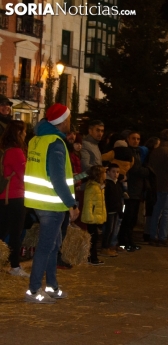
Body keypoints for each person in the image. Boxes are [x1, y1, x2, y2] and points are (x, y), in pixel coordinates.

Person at [23, 104, 79, 303]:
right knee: (47, 246)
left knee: (53, 245)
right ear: (62, 122)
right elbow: (57, 178)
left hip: (39, 201)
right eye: (69, 119)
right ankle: (34, 289)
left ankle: (51, 286)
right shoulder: (56, 143)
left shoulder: (37, 140)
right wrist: (71, 203)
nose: (70, 123)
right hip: (52, 204)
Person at [0, 120, 28, 276]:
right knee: (15, 233)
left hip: (5, 196)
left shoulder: (6, 149)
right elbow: (24, 175)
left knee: (3, 231)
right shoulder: (16, 152)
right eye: (24, 131)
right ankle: (15, 266)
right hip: (14, 196)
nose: (25, 134)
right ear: (18, 133)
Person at [82, 165, 107, 265]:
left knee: (95, 237)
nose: (105, 174)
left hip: (96, 216)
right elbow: (88, 203)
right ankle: (92, 258)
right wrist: (90, 217)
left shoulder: (98, 187)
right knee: (93, 237)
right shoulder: (92, 187)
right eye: (104, 172)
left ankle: (92, 257)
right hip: (92, 217)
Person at [101, 163, 123, 257]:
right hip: (109, 210)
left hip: (115, 210)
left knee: (112, 229)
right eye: (113, 172)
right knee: (108, 230)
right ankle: (104, 247)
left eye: (117, 172)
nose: (116, 174)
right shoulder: (107, 184)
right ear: (108, 172)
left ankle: (109, 246)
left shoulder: (117, 183)